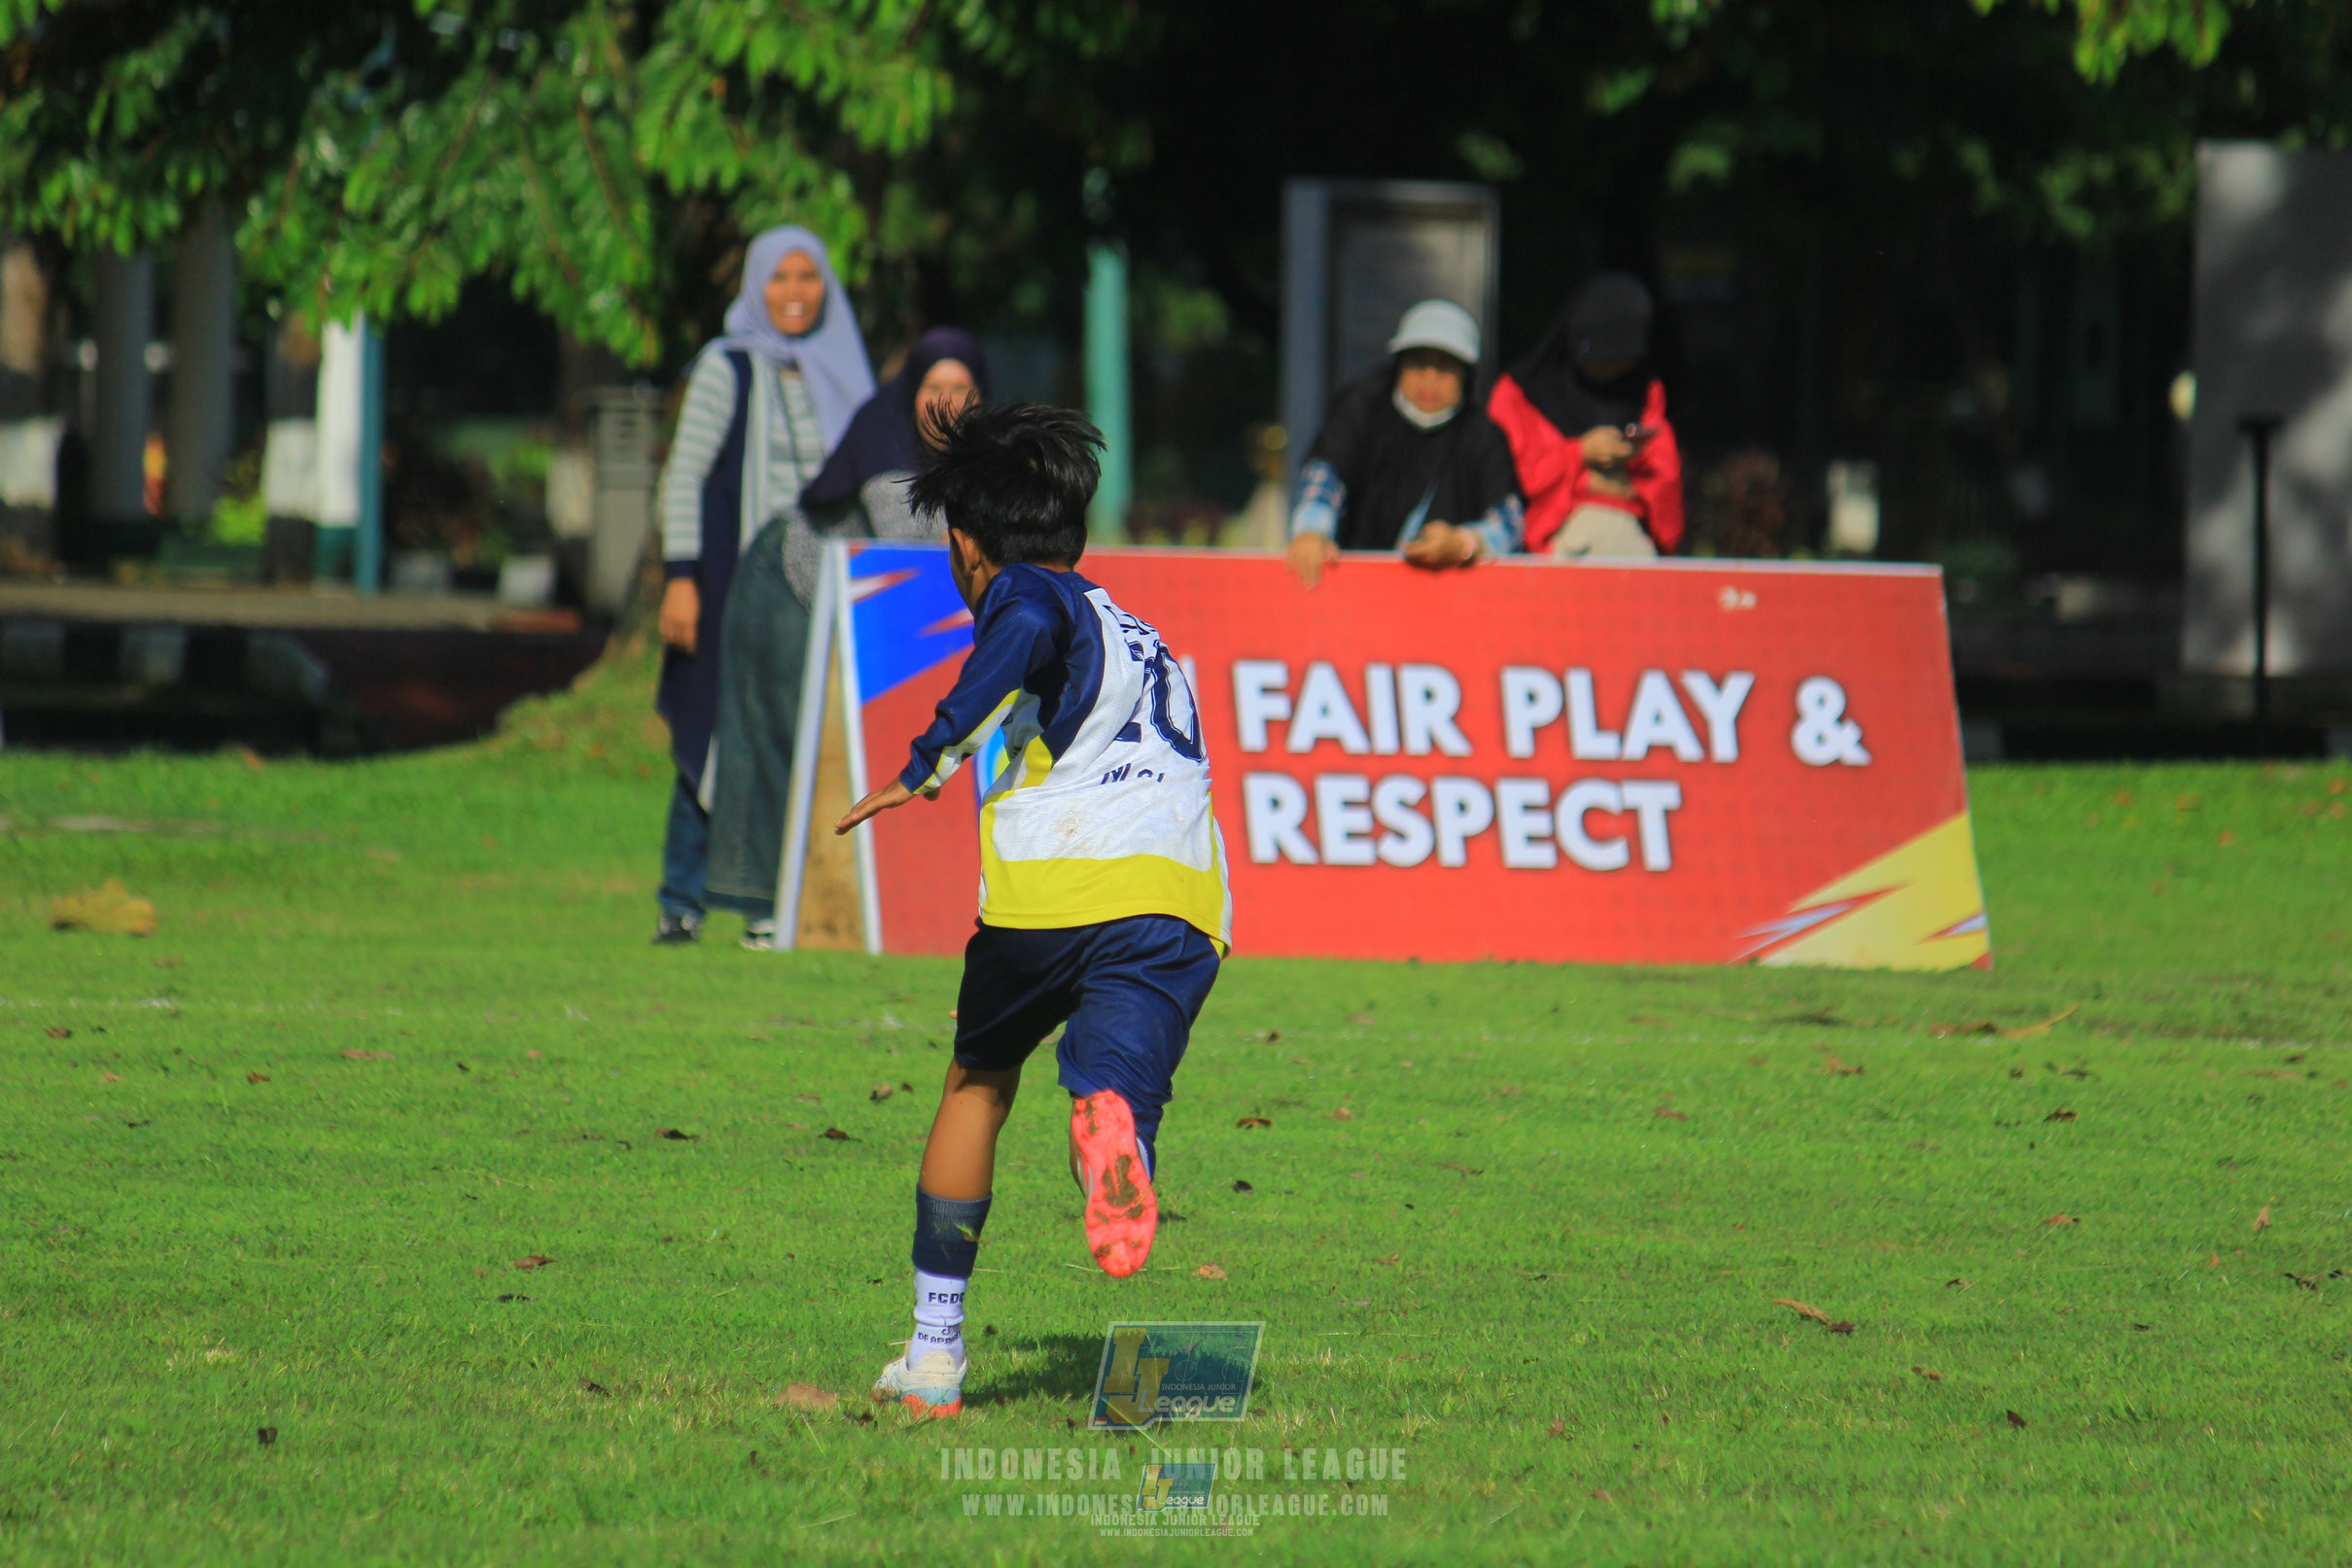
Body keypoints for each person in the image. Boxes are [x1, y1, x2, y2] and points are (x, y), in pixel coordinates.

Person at [833, 401, 1231, 1419]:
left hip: (1053, 888)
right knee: (1113, 1080)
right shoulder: (1139, 631)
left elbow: (1018, 626)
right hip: (1177, 898)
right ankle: (1118, 1141)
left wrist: (928, 755)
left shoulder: (1021, 592)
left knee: (977, 1083)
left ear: (965, 545)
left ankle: (932, 1356)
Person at [697, 327, 991, 951]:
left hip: (859, 603)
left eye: (960, 389)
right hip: (789, 582)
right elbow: (901, 534)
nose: (946, 404)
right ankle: (763, 910)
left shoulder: (979, 453)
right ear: (911, 390)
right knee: (780, 737)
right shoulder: (883, 429)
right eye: (932, 388)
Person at [651, 226, 874, 945]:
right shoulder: (728, 366)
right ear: (755, 285)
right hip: (732, 580)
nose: (794, 293)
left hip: (815, 586)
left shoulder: (843, 368)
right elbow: (683, 475)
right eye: (779, 278)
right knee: (713, 730)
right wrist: (681, 579)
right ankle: (681, 899)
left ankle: (769, 903)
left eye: (808, 277)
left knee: (791, 737)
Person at [1284, 299, 1523, 587]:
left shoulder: (1484, 436)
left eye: (1445, 367)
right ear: (1398, 365)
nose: (1430, 378)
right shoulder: (1361, 410)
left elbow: (1509, 522)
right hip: (1354, 589)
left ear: (1466, 375)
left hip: (1451, 595)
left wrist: (1463, 543)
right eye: (1418, 363)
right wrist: (1312, 531)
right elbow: (1325, 479)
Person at [1487, 272, 1684, 558]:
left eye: (1621, 361)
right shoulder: (1520, 392)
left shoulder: (1644, 391)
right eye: (1600, 361)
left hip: (1628, 537)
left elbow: (1663, 478)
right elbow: (1506, 479)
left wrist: (1629, 473)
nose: (1610, 370)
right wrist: (1580, 455)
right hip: (1546, 544)